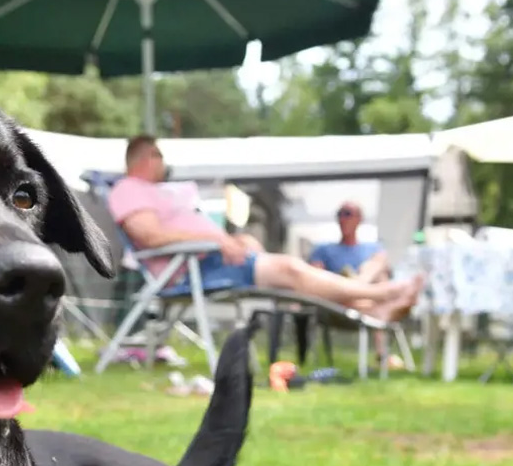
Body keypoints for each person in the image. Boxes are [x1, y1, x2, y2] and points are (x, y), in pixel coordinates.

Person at [107, 135, 422, 323]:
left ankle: (370, 307)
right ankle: (381, 294)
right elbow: (150, 236)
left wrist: (228, 239)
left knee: (292, 279)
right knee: (290, 270)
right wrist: (215, 240)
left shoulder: (157, 192)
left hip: (207, 260)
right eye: (159, 156)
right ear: (149, 156)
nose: (163, 164)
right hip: (190, 268)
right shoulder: (128, 189)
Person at [309, 202, 404, 366]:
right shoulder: (323, 249)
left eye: (348, 214)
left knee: (379, 268)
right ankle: (383, 356)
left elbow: (383, 270)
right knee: (378, 288)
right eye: (340, 214)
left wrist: (361, 279)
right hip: (336, 303)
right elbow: (313, 280)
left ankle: (357, 284)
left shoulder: (373, 248)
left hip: (366, 303)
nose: (343, 218)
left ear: (359, 219)